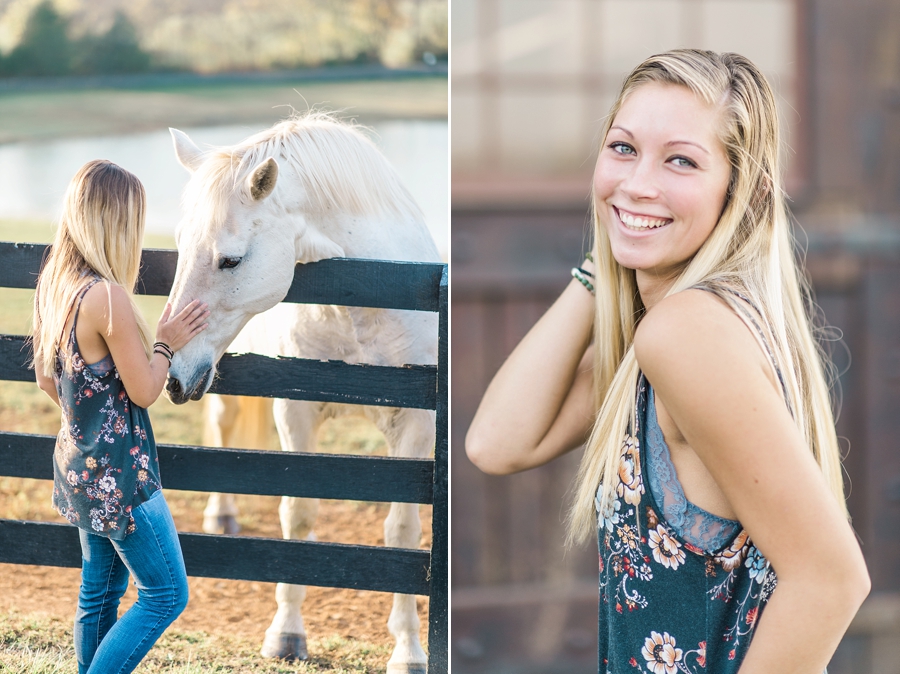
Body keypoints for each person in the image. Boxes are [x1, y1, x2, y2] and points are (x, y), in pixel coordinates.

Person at [466, 49, 870, 673]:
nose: (638, 183)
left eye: (681, 160)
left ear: (743, 191)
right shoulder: (667, 332)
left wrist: (624, 233)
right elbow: (498, 443)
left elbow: (832, 580)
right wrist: (603, 262)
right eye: (623, 149)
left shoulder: (687, 335)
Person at [31, 159, 209, 673]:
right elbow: (147, 389)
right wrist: (167, 343)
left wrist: (90, 419)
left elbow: (47, 380)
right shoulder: (106, 297)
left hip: (77, 468)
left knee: (99, 591)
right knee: (166, 594)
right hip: (122, 480)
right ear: (115, 223)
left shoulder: (56, 285)